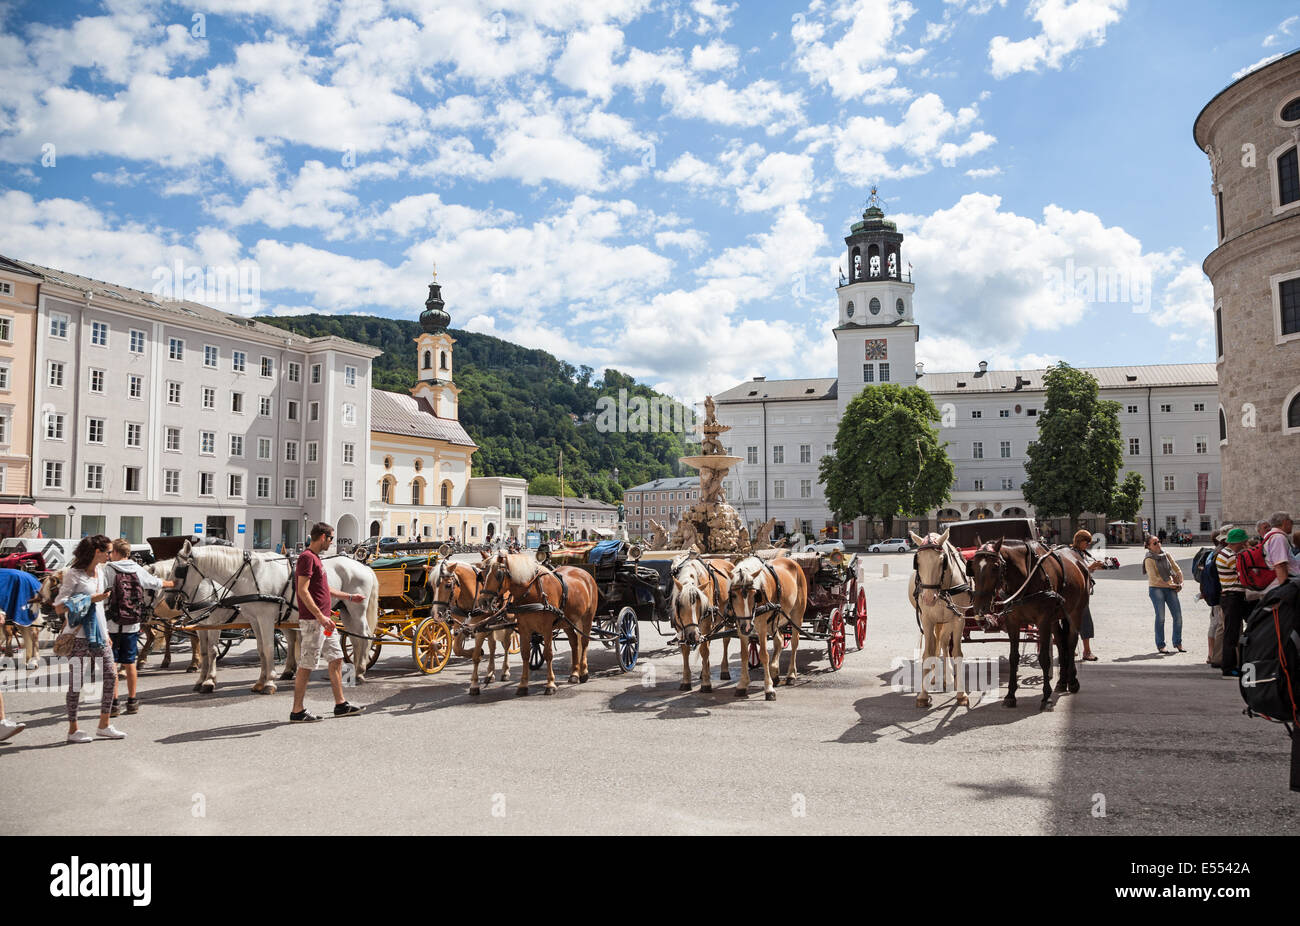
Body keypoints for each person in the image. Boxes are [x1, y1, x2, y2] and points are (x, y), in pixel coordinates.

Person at [289, 522, 366, 723]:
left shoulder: (316, 559)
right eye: (331, 538)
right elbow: (302, 590)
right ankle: (297, 711)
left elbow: (326, 589)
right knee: (306, 665)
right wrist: (320, 617)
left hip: (325, 623)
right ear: (322, 537)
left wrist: (350, 597)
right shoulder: (306, 558)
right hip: (315, 623)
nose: (332, 542)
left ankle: (341, 704)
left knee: (337, 658)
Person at [53, 535, 125, 743]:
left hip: (99, 635)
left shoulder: (100, 573)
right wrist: (90, 599)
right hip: (77, 636)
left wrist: (106, 633)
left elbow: (100, 609)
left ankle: (104, 725)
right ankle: (73, 730)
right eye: (108, 551)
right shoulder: (73, 574)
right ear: (97, 551)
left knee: (111, 676)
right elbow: (59, 605)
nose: (110, 555)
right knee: (76, 683)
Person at [105, 539, 174, 717]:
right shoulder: (137, 569)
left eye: (111, 551)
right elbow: (154, 583)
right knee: (130, 664)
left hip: (112, 624)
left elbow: (102, 593)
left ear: (116, 553)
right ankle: (132, 701)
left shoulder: (109, 568)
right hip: (132, 624)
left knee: (112, 665)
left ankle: (113, 704)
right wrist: (170, 584)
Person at [1216, 527, 1251, 677]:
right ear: (1238, 542)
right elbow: (1243, 572)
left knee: (1233, 632)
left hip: (1231, 597)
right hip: (1232, 597)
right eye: (1243, 542)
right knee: (1231, 633)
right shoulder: (1229, 556)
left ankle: (1233, 664)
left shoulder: (1228, 553)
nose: (1245, 544)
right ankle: (1228, 667)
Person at [1144, 534, 1184, 655]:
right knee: (1161, 617)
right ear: (1148, 546)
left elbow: (1177, 568)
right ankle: (1161, 645)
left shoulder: (1166, 555)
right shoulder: (1149, 559)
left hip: (1169, 587)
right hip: (1156, 589)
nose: (1158, 544)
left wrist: (1181, 581)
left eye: (1159, 541)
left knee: (1178, 616)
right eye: (1155, 543)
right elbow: (1154, 578)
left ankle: (1178, 642)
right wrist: (1170, 585)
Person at [1068, 530, 1105, 660]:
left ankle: (1083, 650)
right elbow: (1077, 572)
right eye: (1086, 542)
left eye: (1089, 542)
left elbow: (1085, 571)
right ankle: (1083, 651)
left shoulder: (1081, 553)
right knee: (1081, 621)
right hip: (1075, 595)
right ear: (1079, 541)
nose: (1088, 545)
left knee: (1083, 621)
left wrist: (1093, 567)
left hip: (1082, 592)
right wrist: (1090, 567)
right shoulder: (1071, 553)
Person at [1261, 512, 1299, 592]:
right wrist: (1284, 592)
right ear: (1285, 522)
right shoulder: (1278, 538)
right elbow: (1280, 565)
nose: (1292, 524)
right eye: (1291, 521)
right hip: (1281, 585)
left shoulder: (1272, 536)